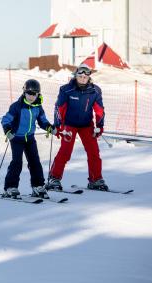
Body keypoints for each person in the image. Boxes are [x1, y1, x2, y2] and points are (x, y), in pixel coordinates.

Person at [45, 63, 108, 191]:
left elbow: (99, 110)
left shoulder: (95, 91)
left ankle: (96, 180)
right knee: (65, 151)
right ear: (76, 75)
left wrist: (99, 126)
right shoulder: (66, 90)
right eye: (80, 75)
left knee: (94, 152)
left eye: (86, 75)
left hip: (86, 125)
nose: (83, 78)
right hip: (69, 124)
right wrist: (58, 126)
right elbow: (59, 108)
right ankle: (54, 178)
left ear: (89, 77)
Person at [1, 79, 56, 199]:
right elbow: (6, 120)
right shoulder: (17, 106)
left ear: (38, 94)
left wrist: (49, 127)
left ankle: (38, 186)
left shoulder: (38, 107)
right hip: (16, 138)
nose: (31, 96)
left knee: (35, 162)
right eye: (29, 93)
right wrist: (8, 130)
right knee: (17, 162)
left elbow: (42, 121)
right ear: (24, 92)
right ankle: (11, 187)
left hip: (30, 138)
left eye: (34, 94)